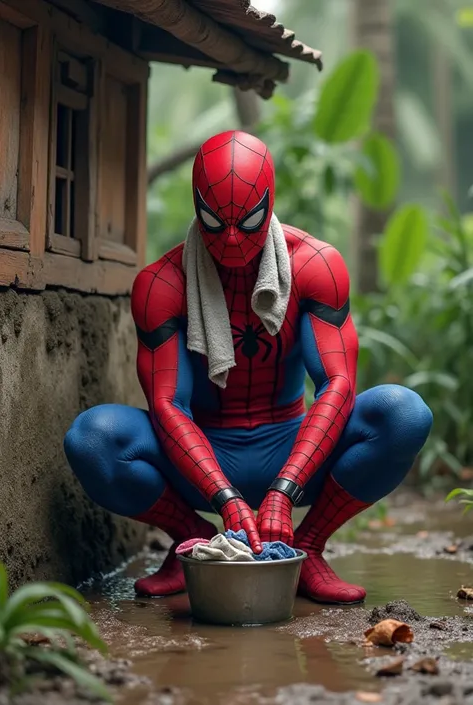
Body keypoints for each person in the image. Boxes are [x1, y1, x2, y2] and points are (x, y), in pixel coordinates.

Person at [64, 131, 432, 604]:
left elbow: (336, 383)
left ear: (269, 201)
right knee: (92, 439)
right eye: (215, 223)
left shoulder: (315, 265)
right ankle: (191, 541)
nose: (232, 240)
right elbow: (167, 403)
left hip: (293, 442)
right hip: (200, 451)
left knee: (404, 414)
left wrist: (285, 488)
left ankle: (308, 546)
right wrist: (224, 499)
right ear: (196, 205)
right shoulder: (162, 284)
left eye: (249, 220)